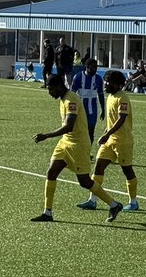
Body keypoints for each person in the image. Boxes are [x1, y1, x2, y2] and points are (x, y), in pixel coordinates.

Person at [31, 74, 122, 222]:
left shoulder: (71, 99)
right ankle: (47, 213)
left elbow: (69, 126)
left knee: (84, 181)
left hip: (79, 144)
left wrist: (46, 135)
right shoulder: (63, 99)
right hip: (65, 143)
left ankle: (114, 204)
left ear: (59, 87)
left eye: (51, 89)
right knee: (51, 172)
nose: (49, 92)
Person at [80, 69, 139, 211]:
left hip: (122, 141)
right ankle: (92, 200)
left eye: (109, 82)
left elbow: (121, 119)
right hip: (110, 140)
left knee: (127, 170)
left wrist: (107, 134)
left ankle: (134, 202)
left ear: (118, 84)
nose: (106, 84)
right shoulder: (111, 97)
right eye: (105, 81)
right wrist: (107, 133)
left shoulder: (122, 98)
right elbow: (111, 121)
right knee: (99, 166)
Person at [71, 57, 106, 150]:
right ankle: (77, 150)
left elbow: (101, 95)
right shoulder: (78, 77)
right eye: (93, 67)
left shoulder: (98, 79)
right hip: (80, 108)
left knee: (91, 131)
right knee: (79, 131)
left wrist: (103, 109)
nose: (95, 69)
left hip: (92, 110)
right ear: (87, 67)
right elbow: (72, 94)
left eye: (96, 67)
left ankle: (87, 151)